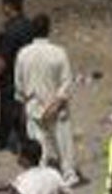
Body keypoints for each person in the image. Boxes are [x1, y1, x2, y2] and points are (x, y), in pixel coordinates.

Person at [16, 14, 77, 185]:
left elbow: (19, 86)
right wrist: (55, 104)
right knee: (64, 144)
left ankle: (41, 177)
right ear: (48, 30)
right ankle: (68, 174)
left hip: (33, 106)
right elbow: (66, 83)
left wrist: (24, 106)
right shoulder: (59, 52)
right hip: (57, 108)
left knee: (38, 144)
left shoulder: (23, 54)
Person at [0, 0, 32, 156]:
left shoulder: (9, 31)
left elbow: (2, 59)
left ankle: (6, 142)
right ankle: (2, 139)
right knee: (16, 110)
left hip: (10, 78)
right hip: (26, 74)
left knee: (8, 112)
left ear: (8, 6)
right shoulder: (28, 25)